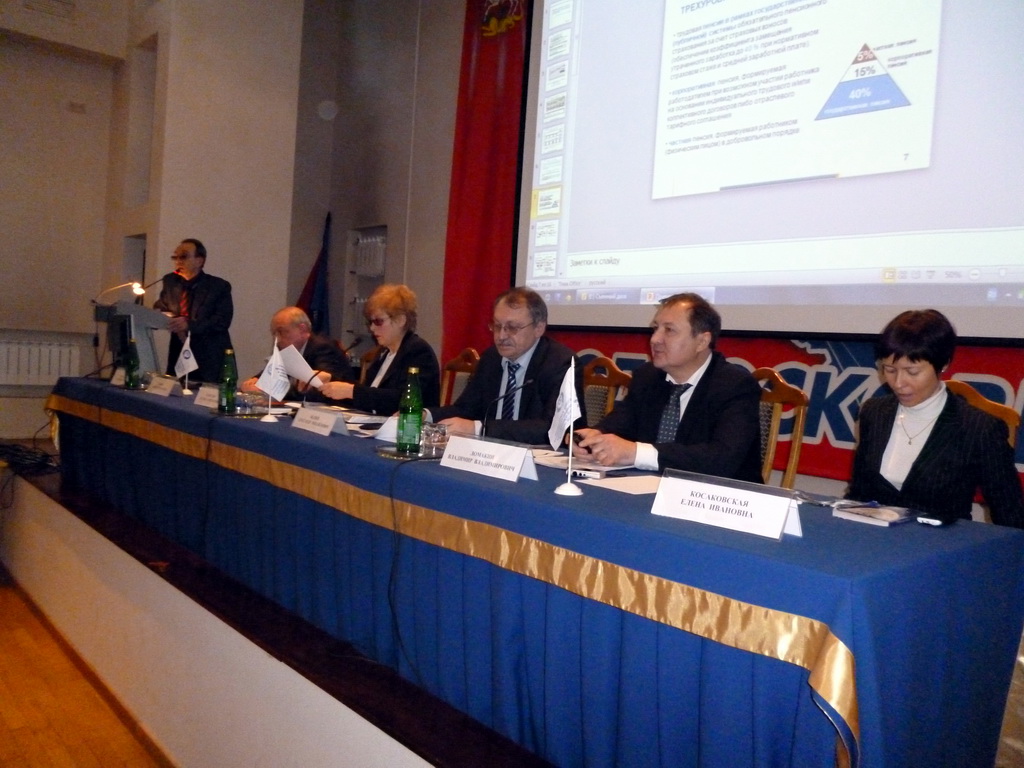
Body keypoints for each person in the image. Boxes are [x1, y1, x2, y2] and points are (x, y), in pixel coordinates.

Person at [847, 309, 1024, 527]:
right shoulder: (874, 413)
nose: (898, 383)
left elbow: (1009, 514)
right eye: (889, 370)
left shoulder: (979, 428)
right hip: (873, 539)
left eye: (912, 372)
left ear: (943, 364)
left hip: (941, 541)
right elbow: (858, 495)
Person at [573, 292, 762, 481]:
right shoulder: (647, 376)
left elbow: (721, 458)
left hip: (719, 493)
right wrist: (594, 438)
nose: (655, 339)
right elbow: (621, 423)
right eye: (655, 329)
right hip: (646, 487)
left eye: (669, 330)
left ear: (702, 341)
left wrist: (635, 452)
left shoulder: (735, 386)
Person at [428, 286, 584, 444]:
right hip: (489, 453)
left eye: (512, 328)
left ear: (539, 328)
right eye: (497, 326)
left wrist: (479, 429)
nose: (501, 336)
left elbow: (554, 429)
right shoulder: (491, 358)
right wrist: (426, 416)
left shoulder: (561, 364)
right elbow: (465, 409)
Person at [320, 284, 440, 413]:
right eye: (370, 322)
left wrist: (351, 391)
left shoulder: (418, 351)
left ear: (401, 320)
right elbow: (367, 395)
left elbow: (403, 399)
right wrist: (331, 383)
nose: (372, 328)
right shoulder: (385, 353)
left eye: (378, 321)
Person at [153, 238, 233, 383]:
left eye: (183, 256)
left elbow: (222, 321)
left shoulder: (218, 286)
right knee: (175, 393)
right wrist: (159, 316)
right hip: (179, 350)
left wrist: (188, 325)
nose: (178, 261)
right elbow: (162, 306)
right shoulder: (170, 281)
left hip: (208, 355)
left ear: (199, 261)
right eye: (175, 257)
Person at [240, 306, 354, 401]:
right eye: (274, 334)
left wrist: (268, 390)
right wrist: (253, 383)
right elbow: (268, 375)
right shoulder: (285, 350)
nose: (277, 339)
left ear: (302, 329)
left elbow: (318, 389)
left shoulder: (323, 348)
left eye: (281, 332)